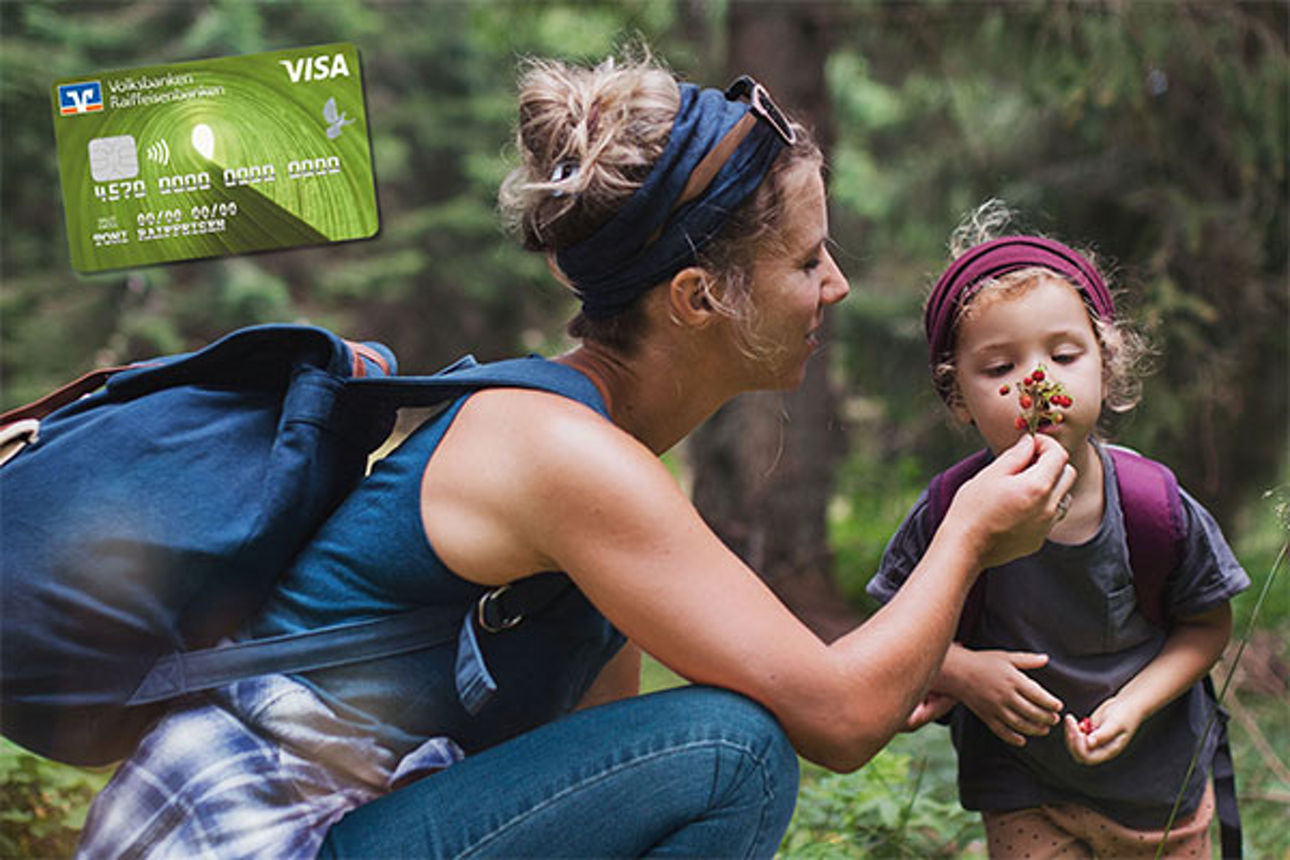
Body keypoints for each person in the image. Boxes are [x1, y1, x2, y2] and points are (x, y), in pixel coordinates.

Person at [77, 59, 1073, 860]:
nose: (837, 285)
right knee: (732, 752)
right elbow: (841, 721)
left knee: (713, 752)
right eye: (807, 259)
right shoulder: (559, 451)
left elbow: (598, 780)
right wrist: (969, 533)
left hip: (328, 826)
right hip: (241, 836)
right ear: (698, 298)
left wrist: (912, 659)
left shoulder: (599, 456)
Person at [866, 202, 1250, 859]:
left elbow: (1208, 627)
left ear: (1106, 363)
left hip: (1159, 791)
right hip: (1022, 791)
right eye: (998, 368)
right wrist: (965, 672)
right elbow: (892, 632)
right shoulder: (947, 511)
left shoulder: (1154, 506)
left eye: (1064, 354)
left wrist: (1134, 703)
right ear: (957, 396)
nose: (1035, 384)